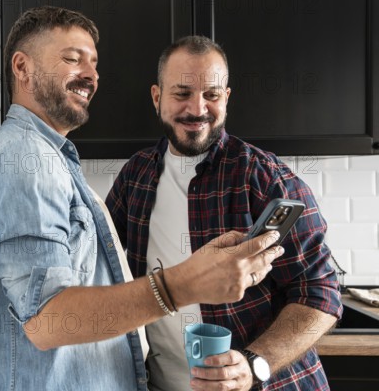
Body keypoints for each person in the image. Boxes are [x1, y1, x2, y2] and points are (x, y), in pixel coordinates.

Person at [0, 7, 284, 391]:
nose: (91, 75)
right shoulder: (25, 162)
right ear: (22, 68)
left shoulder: (54, 160)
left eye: (94, 63)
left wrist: (256, 363)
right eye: (72, 58)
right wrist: (184, 284)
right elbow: (48, 320)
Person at [105, 35, 343, 391]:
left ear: (226, 99)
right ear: (157, 97)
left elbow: (322, 291)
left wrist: (254, 364)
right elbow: (99, 270)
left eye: (211, 95)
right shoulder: (135, 178)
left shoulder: (265, 178)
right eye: (182, 93)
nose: (197, 109)